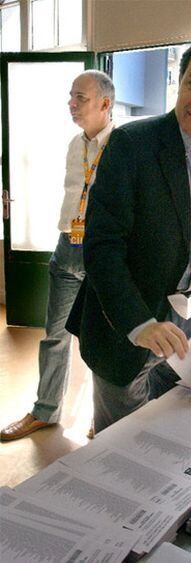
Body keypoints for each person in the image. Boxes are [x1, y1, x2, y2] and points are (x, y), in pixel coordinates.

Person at [67, 32, 191, 432]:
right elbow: (102, 248)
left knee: (173, 439)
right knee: (121, 449)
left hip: (189, 338)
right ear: (180, 80)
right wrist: (140, 324)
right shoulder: (132, 144)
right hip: (127, 332)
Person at [1, 70, 115, 441]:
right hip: (67, 246)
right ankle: (45, 411)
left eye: (80, 98)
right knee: (54, 335)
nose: (71, 104)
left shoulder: (124, 146)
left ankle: (105, 418)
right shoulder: (74, 143)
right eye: (71, 96)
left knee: (101, 339)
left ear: (105, 103)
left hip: (102, 253)